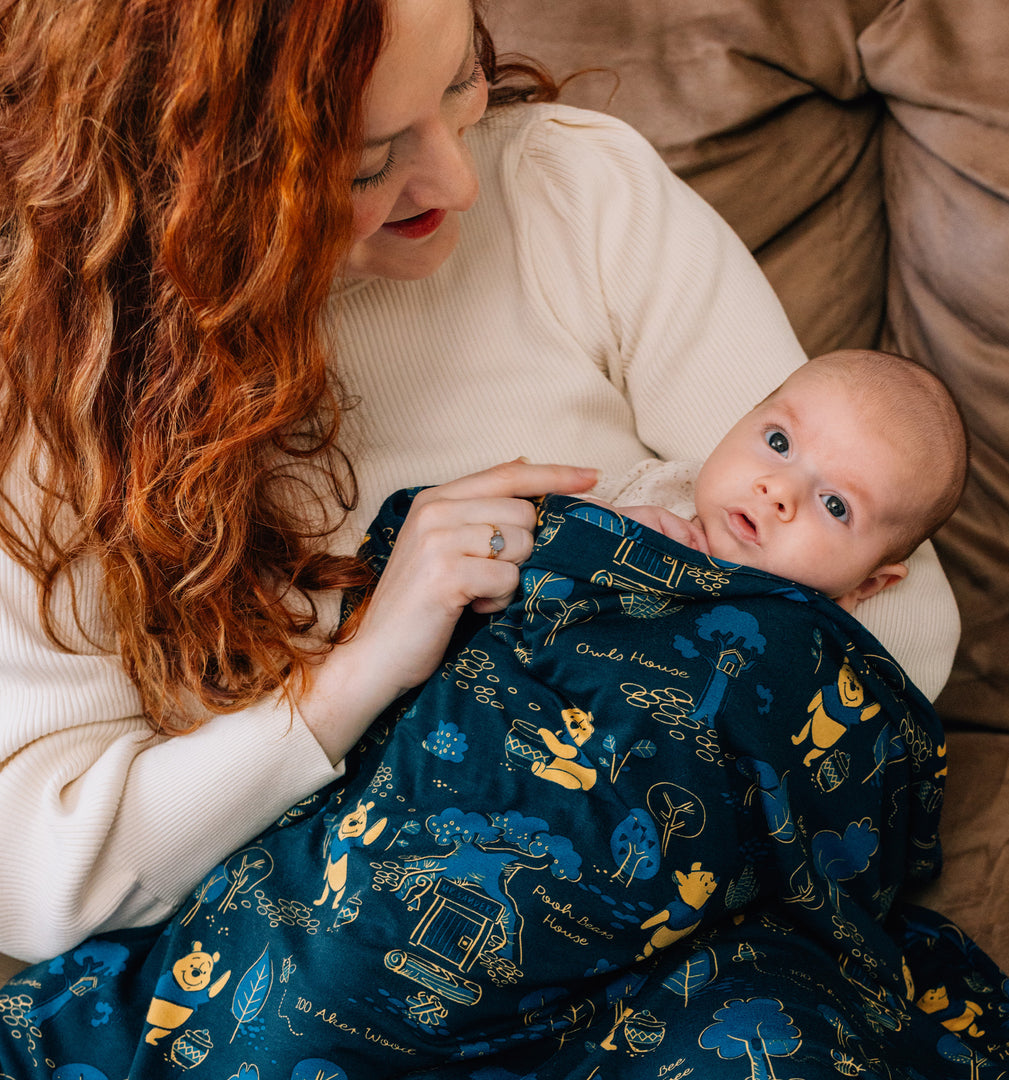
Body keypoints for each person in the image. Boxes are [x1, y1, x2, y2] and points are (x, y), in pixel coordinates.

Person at [0, 0, 959, 971]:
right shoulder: (51, 415)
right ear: (193, 175)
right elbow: (41, 880)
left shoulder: (572, 192)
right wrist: (359, 673)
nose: (461, 181)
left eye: (459, 78)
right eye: (371, 161)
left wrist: (631, 633)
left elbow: (903, 617)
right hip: (339, 954)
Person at [590, 348, 969, 614]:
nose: (781, 490)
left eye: (834, 505)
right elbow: (548, 538)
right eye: (779, 442)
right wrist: (609, 528)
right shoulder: (664, 486)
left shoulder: (818, 636)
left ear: (865, 585)